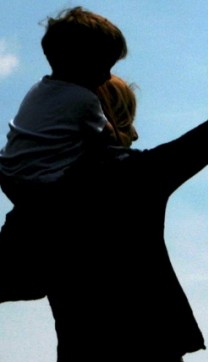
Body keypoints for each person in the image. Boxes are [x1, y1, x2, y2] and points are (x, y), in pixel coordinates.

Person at [36, 38, 208, 362]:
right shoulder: (134, 176)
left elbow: (17, 279)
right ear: (106, 121)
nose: (135, 130)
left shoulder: (39, 201)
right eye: (126, 117)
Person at [0, 6, 127, 301]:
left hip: (9, 176)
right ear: (81, 61)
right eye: (104, 66)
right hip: (45, 188)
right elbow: (109, 141)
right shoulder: (84, 99)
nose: (107, 75)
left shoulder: (38, 89)